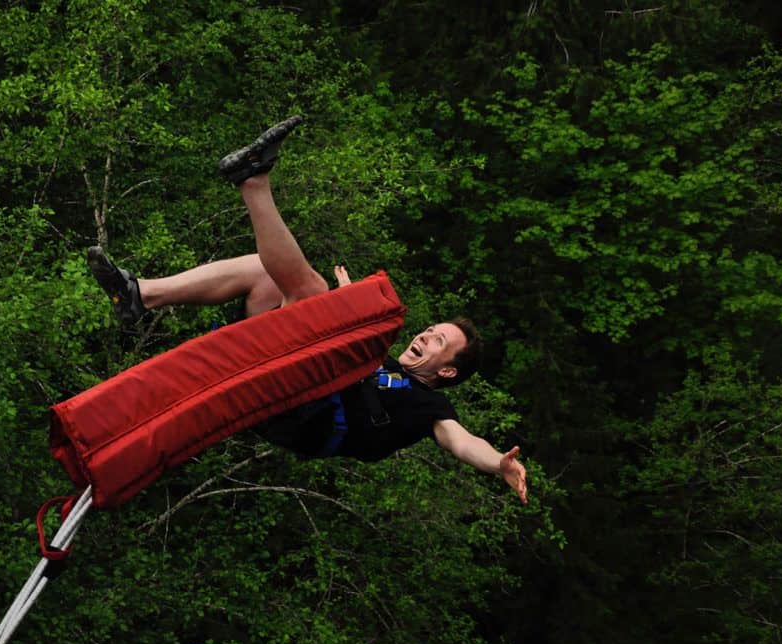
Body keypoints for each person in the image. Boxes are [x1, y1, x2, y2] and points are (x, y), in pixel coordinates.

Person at [87, 116, 528, 503]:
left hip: (304, 416)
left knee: (312, 292)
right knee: (265, 272)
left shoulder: (426, 407)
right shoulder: (382, 359)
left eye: (438, 341)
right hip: (291, 379)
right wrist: (347, 309)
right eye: (430, 328)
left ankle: (253, 180)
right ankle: (140, 295)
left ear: (447, 371)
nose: (424, 335)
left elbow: (461, 441)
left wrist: (496, 464)